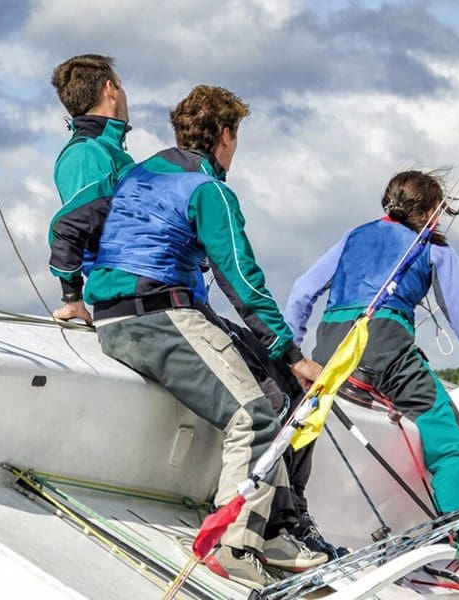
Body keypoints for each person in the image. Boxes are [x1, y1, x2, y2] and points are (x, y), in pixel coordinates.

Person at [85, 85, 326, 589]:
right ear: (224, 135)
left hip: (112, 316)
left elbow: (90, 232)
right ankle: (233, 542)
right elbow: (242, 280)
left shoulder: (137, 173)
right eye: (236, 137)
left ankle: (272, 528)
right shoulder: (209, 190)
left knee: (273, 388)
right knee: (257, 413)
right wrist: (293, 353)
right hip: (158, 318)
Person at [284, 170, 459, 544]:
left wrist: (290, 352)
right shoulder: (434, 247)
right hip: (385, 345)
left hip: (331, 345)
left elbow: (301, 292)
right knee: (454, 448)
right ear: (430, 209)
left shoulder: (354, 235)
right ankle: (455, 547)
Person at [48, 54, 134, 326]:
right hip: (128, 300)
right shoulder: (86, 152)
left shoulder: (108, 150)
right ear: (110, 88)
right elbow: (75, 226)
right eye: (121, 85)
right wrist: (72, 296)